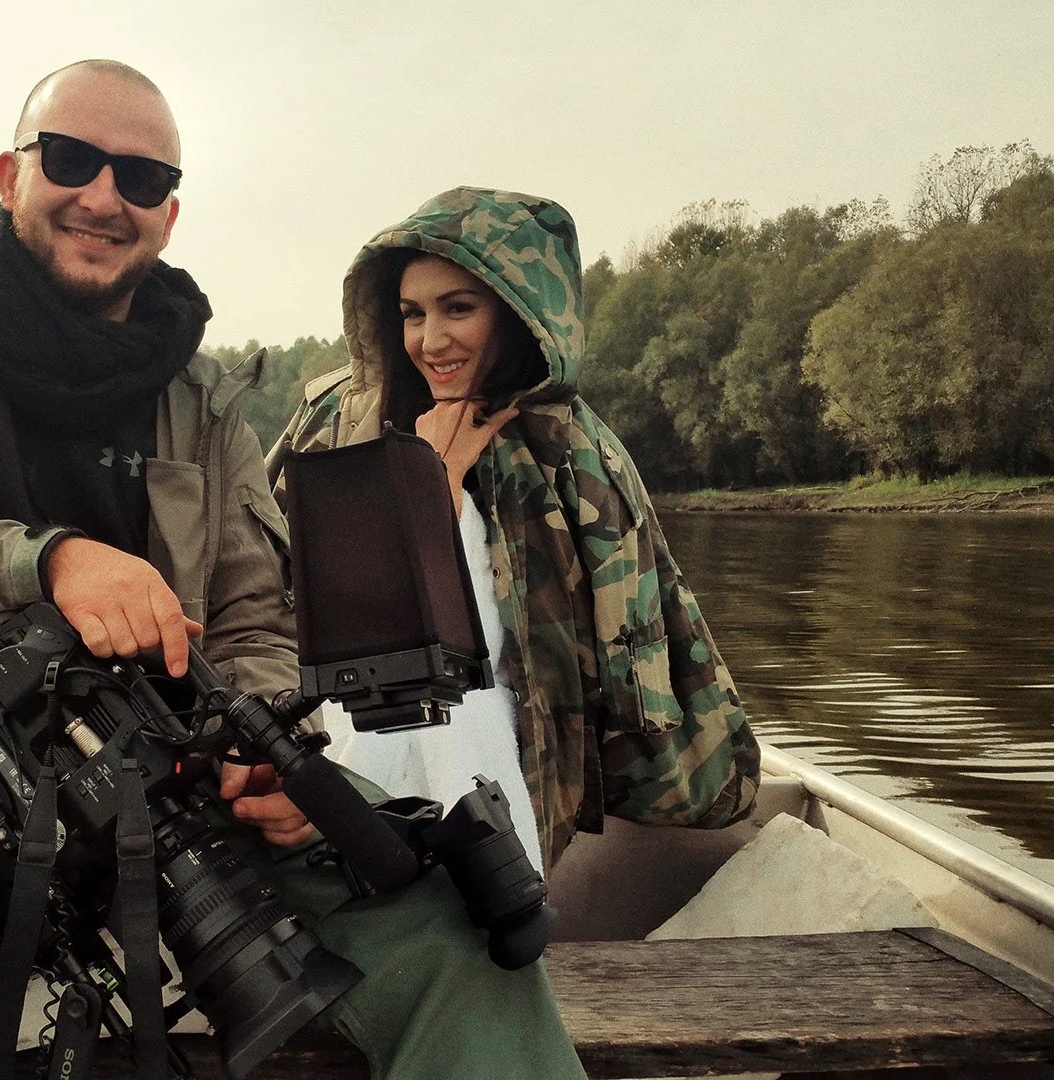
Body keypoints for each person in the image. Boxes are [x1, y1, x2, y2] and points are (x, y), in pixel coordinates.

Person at [0, 64, 585, 1080]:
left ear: (168, 212)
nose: (102, 196)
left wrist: (270, 762)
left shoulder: (206, 396)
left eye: (139, 175)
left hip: (178, 771)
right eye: (71, 160)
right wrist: (44, 565)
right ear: (10, 175)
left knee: (458, 930)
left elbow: (258, 624)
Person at [270, 187, 760, 874]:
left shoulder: (579, 454)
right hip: (352, 749)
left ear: (517, 312)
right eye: (412, 314)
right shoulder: (335, 425)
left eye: (458, 308)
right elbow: (272, 593)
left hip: (507, 756)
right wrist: (427, 483)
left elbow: (646, 641)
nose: (430, 340)